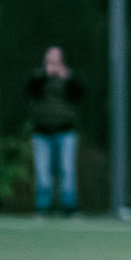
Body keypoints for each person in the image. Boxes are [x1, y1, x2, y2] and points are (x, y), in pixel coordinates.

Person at [25, 47, 85, 216]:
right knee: (42, 171)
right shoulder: (38, 76)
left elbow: (79, 95)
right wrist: (44, 76)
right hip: (41, 132)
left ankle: (69, 206)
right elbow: (30, 92)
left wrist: (67, 79)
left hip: (66, 131)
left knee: (67, 169)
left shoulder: (70, 76)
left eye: (56, 59)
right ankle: (43, 207)